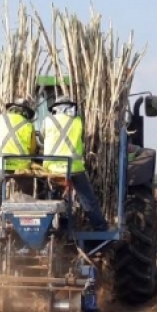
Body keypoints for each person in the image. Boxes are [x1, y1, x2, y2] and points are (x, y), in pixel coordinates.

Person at [39, 96, 108, 232]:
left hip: (52, 168)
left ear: (55, 108)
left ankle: (50, 227)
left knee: (51, 197)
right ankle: (100, 228)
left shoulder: (48, 121)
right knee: (87, 199)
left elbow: (42, 138)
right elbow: (82, 139)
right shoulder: (77, 121)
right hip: (74, 168)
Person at [0, 98, 37, 222]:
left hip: (2, 162)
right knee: (27, 191)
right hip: (21, 164)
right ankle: (26, 222)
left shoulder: (0, 119)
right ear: (25, 111)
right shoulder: (28, 125)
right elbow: (32, 149)